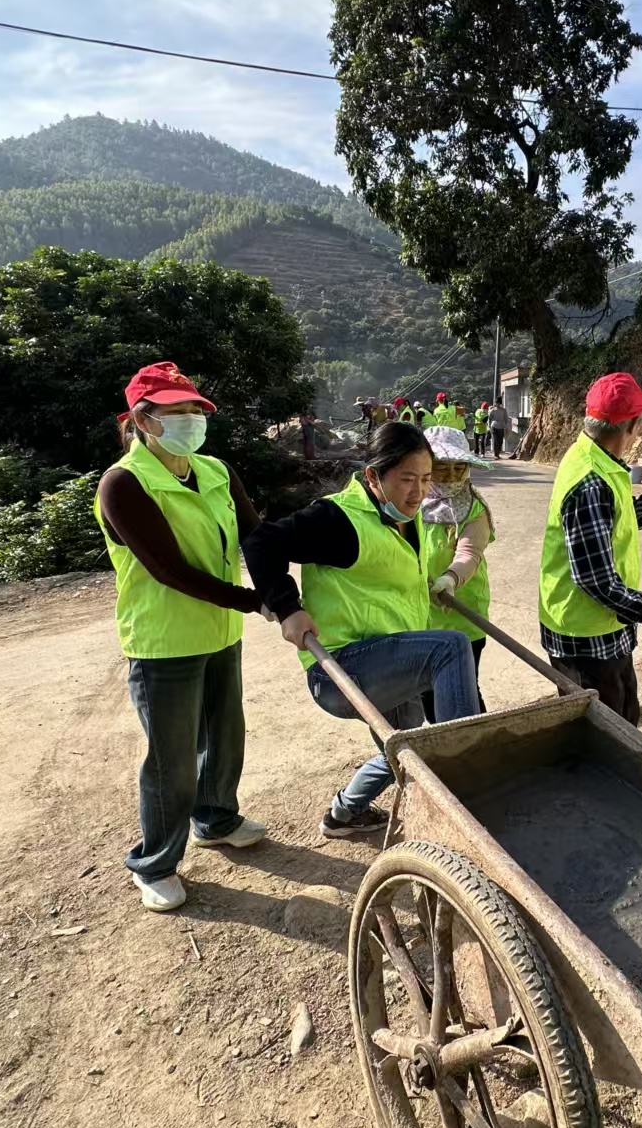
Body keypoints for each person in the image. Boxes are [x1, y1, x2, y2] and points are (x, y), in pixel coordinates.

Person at [243, 421, 481, 838]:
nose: (419, 491)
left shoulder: (407, 517)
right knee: (449, 647)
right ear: (373, 476)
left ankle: (344, 813)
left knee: (407, 750)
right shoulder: (339, 518)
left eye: (426, 478)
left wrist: (436, 584)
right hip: (341, 669)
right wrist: (287, 608)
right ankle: (468, 779)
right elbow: (262, 542)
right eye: (406, 479)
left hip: (389, 660)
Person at [94, 362, 268, 913]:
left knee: (225, 736)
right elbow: (169, 570)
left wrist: (288, 582)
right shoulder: (124, 483)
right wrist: (255, 601)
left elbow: (256, 537)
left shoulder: (216, 470)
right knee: (172, 759)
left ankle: (215, 820)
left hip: (220, 631)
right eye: (178, 410)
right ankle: (155, 864)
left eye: (196, 409)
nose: (192, 419)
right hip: (164, 642)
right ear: (144, 419)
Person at [537, 373, 642, 724]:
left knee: (625, 712)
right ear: (632, 425)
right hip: (583, 635)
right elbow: (595, 580)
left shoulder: (595, 459)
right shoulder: (590, 481)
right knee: (602, 732)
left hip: (604, 624)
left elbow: (616, 521)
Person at [419, 426, 494, 720]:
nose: (451, 476)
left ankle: (481, 741)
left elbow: (469, 554)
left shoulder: (475, 509)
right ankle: (442, 739)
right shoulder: (409, 503)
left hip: (463, 613)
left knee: (463, 691)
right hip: (419, 615)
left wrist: (450, 579)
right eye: (441, 467)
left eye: (458, 467)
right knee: (426, 690)